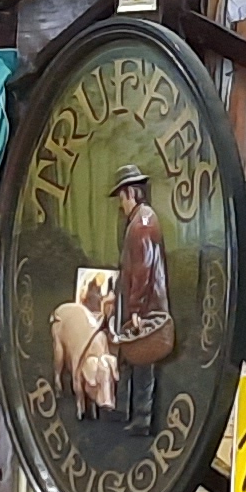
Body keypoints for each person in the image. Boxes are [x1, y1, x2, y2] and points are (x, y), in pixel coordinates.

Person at [107, 166, 175, 436]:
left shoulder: (142, 223)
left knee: (144, 358)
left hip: (146, 307)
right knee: (132, 355)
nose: (121, 204)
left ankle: (142, 418)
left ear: (130, 193)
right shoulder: (140, 219)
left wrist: (135, 308)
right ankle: (126, 409)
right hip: (141, 303)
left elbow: (143, 268)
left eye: (121, 198)